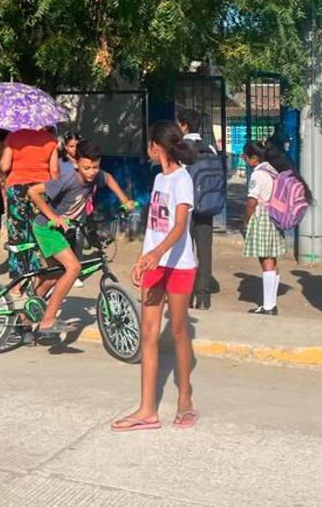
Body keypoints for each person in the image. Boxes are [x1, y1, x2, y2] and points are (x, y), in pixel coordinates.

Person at [112, 122, 198, 432]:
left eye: (149, 145)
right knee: (147, 333)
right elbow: (155, 225)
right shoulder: (160, 178)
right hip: (155, 262)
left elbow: (178, 227)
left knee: (176, 331)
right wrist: (142, 259)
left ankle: (185, 399)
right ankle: (147, 410)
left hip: (179, 264)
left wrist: (154, 255)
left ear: (155, 146)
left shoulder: (182, 180)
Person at [26, 139, 132, 340]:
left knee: (52, 277)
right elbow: (33, 192)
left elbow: (107, 178)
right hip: (46, 229)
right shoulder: (68, 180)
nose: (92, 172)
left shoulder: (96, 175)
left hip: (61, 230)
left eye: (95, 167)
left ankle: (23, 320)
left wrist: (124, 200)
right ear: (76, 163)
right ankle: (48, 320)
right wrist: (54, 217)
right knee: (74, 268)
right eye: (86, 168)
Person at [241, 140, 309, 316]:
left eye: (246, 157)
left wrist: (246, 221)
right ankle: (270, 303)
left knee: (266, 261)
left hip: (262, 217)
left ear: (254, 158)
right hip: (274, 217)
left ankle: (268, 306)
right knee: (272, 260)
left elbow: (251, 201)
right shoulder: (272, 170)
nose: (244, 159)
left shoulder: (257, 175)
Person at [0, 125, 60, 279]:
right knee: (38, 232)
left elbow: (5, 165)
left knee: (17, 234)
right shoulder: (51, 140)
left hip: (16, 189)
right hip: (41, 190)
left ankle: (17, 282)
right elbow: (54, 172)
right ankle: (37, 277)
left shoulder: (13, 137)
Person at [178, 108, 221, 310]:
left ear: (184, 125)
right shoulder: (210, 149)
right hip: (207, 205)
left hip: (185, 208)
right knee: (205, 250)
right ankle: (203, 297)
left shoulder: (180, 149)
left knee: (184, 250)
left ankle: (183, 292)